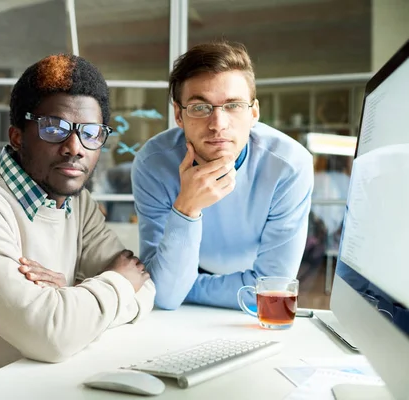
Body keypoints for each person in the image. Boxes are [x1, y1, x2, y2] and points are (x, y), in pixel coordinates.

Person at [0, 54, 155, 400]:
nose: (75, 147)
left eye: (90, 133)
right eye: (54, 128)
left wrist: (68, 297)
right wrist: (110, 287)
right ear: (16, 135)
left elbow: (144, 288)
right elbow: (53, 336)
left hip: (52, 387)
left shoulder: (79, 203)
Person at [131, 40, 313, 310]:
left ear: (254, 113)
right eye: (200, 107)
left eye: (233, 105)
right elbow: (166, 297)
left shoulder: (289, 165)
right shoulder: (151, 164)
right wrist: (186, 208)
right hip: (185, 299)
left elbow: (273, 291)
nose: (218, 124)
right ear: (178, 115)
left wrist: (181, 286)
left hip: (240, 300)